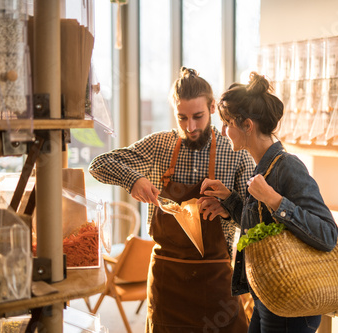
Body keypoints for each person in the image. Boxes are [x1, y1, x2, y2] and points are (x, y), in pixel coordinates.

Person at [89, 67, 254, 332]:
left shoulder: (234, 152)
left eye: (198, 117)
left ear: (212, 108)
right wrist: (133, 180)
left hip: (215, 281)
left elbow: (254, 215)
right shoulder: (159, 146)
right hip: (168, 282)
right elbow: (99, 164)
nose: (190, 127)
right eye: (182, 118)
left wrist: (228, 208)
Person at [198, 72, 338, 333]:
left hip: (291, 303)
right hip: (269, 296)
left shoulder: (288, 167)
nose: (223, 130)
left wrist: (274, 199)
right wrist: (229, 201)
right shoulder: (261, 168)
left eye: (228, 122)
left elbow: (328, 234)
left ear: (248, 125)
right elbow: (266, 229)